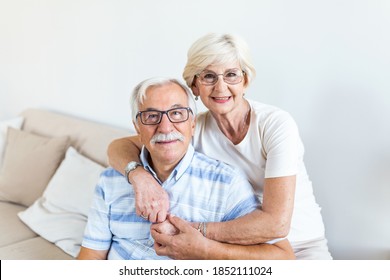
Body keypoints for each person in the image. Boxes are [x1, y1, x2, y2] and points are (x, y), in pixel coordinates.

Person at [107, 33, 332, 260]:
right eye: (209, 76)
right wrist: (139, 177)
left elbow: (277, 225)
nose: (220, 87)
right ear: (194, 85)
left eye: (231, 75)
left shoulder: (275, 124)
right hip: (236, 246)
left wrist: (195, 234)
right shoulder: (193, 128)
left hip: (300, 247)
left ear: (245, 81)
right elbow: (118, 147)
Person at [77, 77, 295, 260]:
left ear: (193, 122)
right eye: (152, 116)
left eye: (177, 113)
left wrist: (205, 250)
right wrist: (139, 177)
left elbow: (283, 259)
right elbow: (92, 255)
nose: (165, 127)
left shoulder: (226, 183)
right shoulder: (111, 179)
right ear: (137, 127)